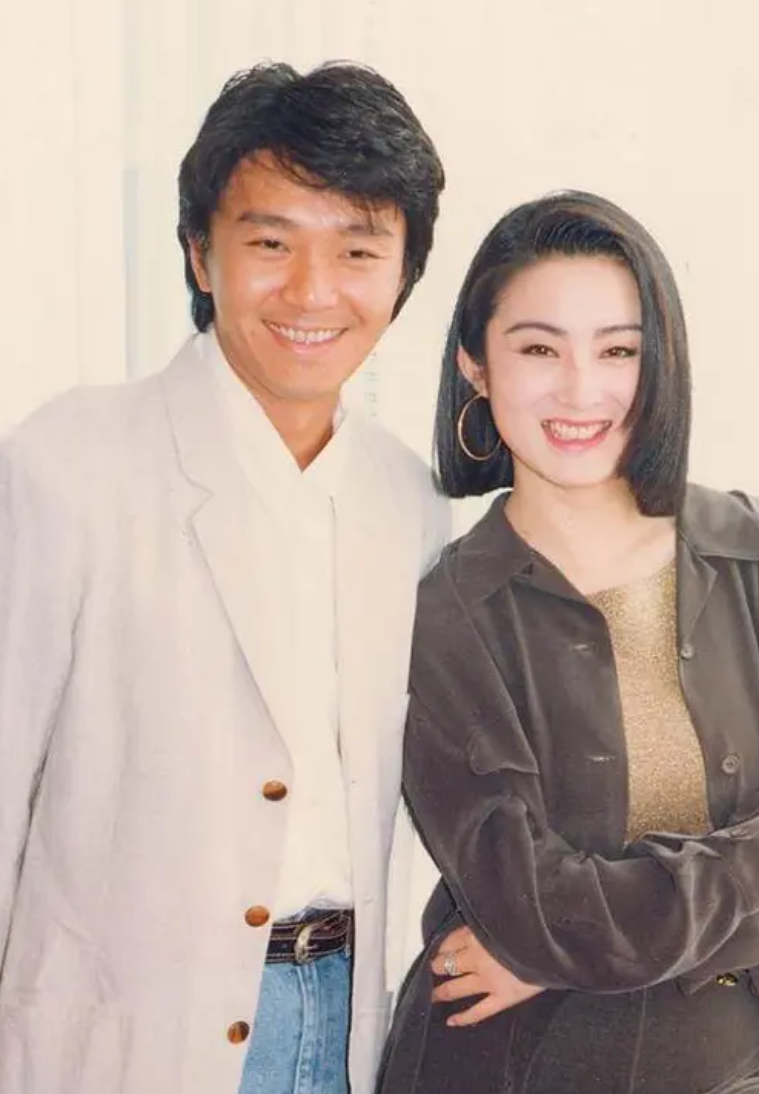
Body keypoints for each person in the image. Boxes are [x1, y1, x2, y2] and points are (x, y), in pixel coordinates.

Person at [0, 61, 447, 1094]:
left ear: (403, 274)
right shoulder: (72, 460)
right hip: (120, 1038)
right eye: (271, 242)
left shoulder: (411, 501)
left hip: (344, 1025)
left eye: (357, 249)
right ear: (202, 254)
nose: (312, 291)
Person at [378, 190, 759, 1094]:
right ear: (476, 366)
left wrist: (573, 951)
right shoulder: (442, 617)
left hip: (748, 1061)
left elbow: (555, 933)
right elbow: (534, 913)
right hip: (519, 1067)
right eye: (539, 349)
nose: (580, 390)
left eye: (618, 351)